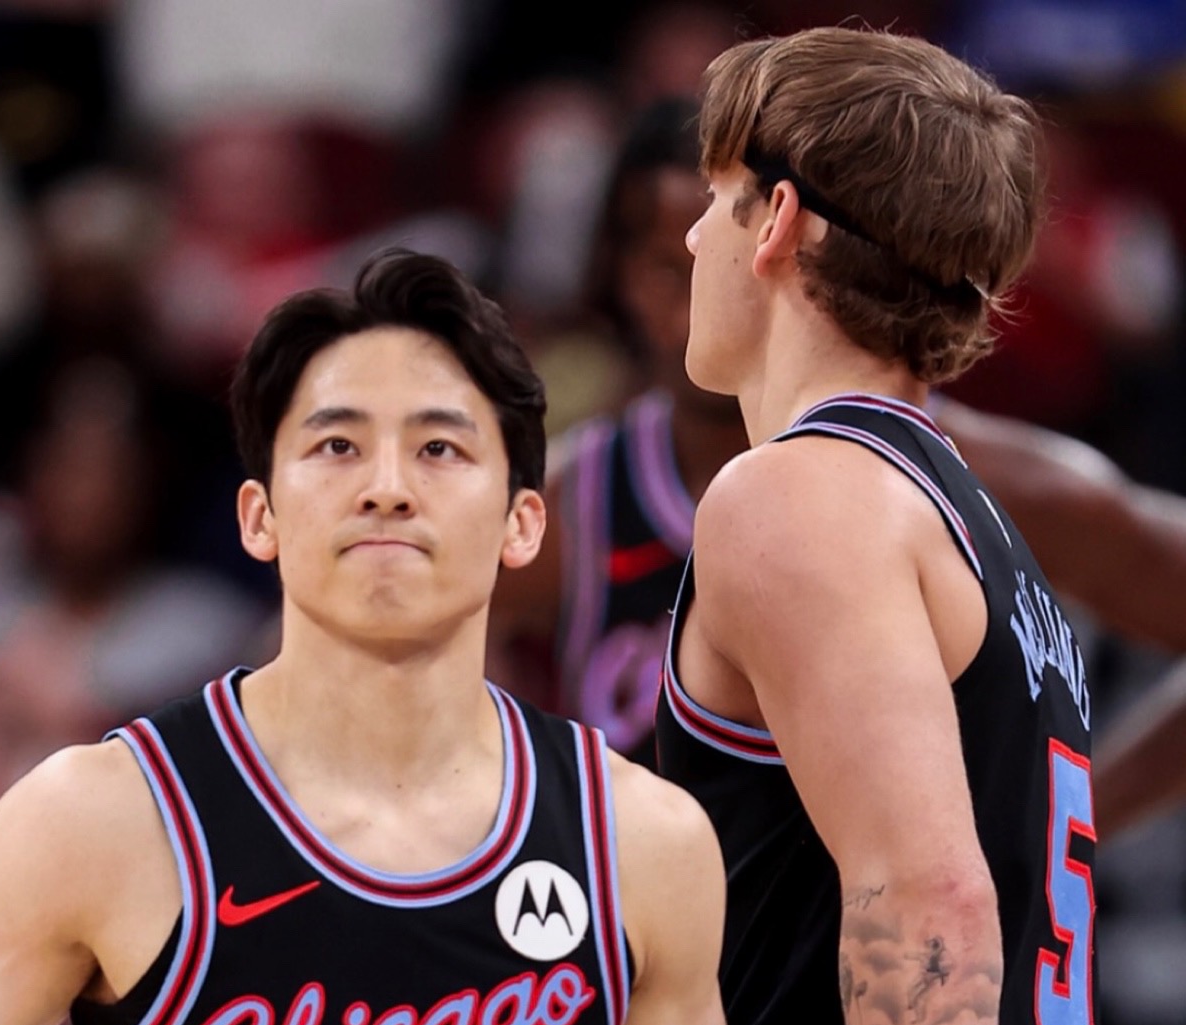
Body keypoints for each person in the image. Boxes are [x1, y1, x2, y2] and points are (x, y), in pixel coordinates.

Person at [0, 248, 734, 1025]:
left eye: (440, 447)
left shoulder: (639, 840)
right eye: (336, 444)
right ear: (257, 515)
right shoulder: (107, 816)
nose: (385, 484)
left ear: (523, 523)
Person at [653, 27, 1177, 1025]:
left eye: (714, 201)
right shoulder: (968, 519)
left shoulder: (797, 494)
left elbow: (926, 892)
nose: (690, 240)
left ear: (779, 220)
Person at [491, 92, 1186, 814]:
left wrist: (1081, 820)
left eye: (725, 260)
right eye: (669, 269)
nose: (687, 309)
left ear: (799, 252)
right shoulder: (573, 503)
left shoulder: (984, 484)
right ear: (619, 272)